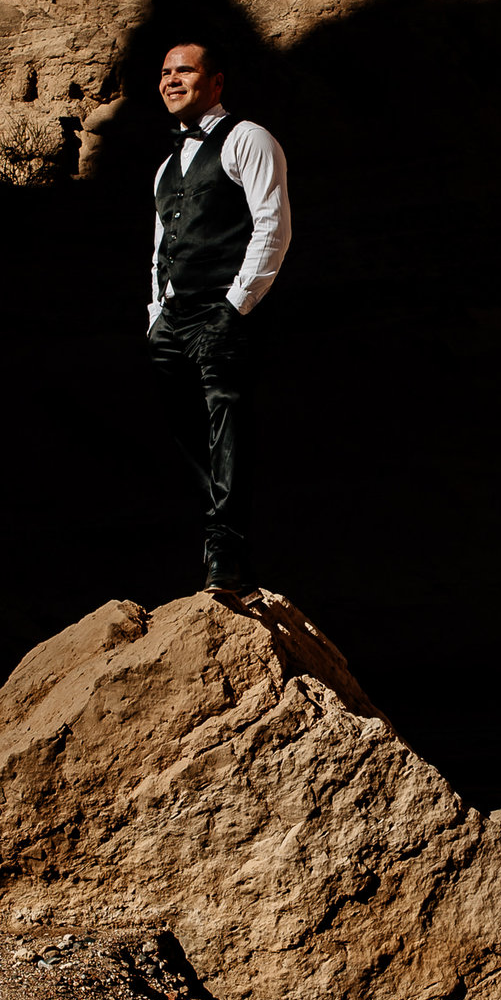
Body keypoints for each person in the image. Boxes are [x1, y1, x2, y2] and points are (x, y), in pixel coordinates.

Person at [145, 40, 293, 594]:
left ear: (216, 82)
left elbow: (272, 225)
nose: (172, 80)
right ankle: (226, 542)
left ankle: (224, 553)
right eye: (165, 72)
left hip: (224, 308)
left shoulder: (248, 138)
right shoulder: (166, 165)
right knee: (192, 434)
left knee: (226, 419)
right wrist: (156, 315)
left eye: (185, 70)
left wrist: (235, 307)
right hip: (173, 317)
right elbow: (163, 243)